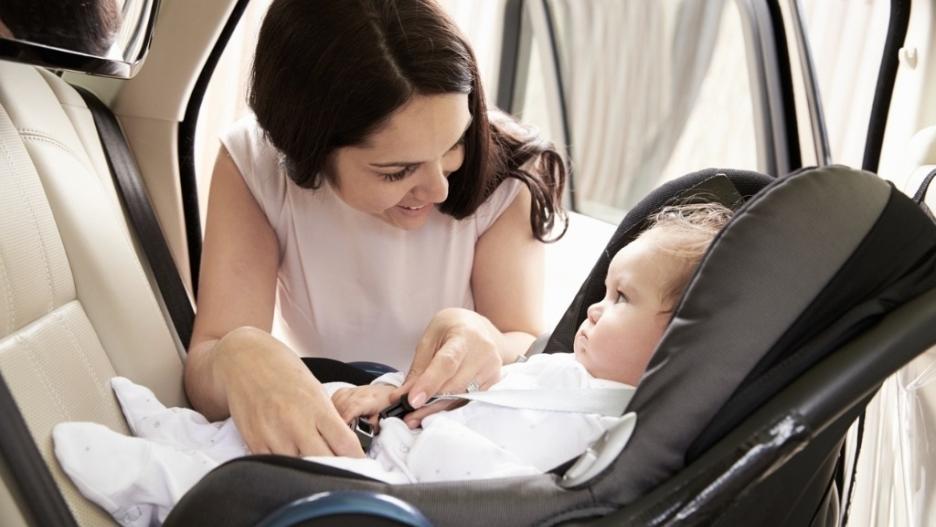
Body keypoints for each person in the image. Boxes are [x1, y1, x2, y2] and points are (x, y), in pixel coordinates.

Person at [53, 202, 733, 527]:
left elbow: (514, 487)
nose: (589, 308)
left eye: (620, 300)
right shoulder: (568, 377)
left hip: (409, 486)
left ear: (676, 341)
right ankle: (171, 429)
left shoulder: (598, 422)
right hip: (398, 442)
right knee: (272, 422)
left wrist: (425, 430)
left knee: (256, 472)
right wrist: (391, 396)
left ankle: (148, 482)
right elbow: (486, 390)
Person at [185, 0, 568, 461]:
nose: (439, 188)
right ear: (308, 151)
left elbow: (521, 340)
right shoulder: (255, 166)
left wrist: (481, 338)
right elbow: (209, 359)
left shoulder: (508, 169)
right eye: (396, 171)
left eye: (452, 144)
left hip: (452, 431)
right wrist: (240, 355)